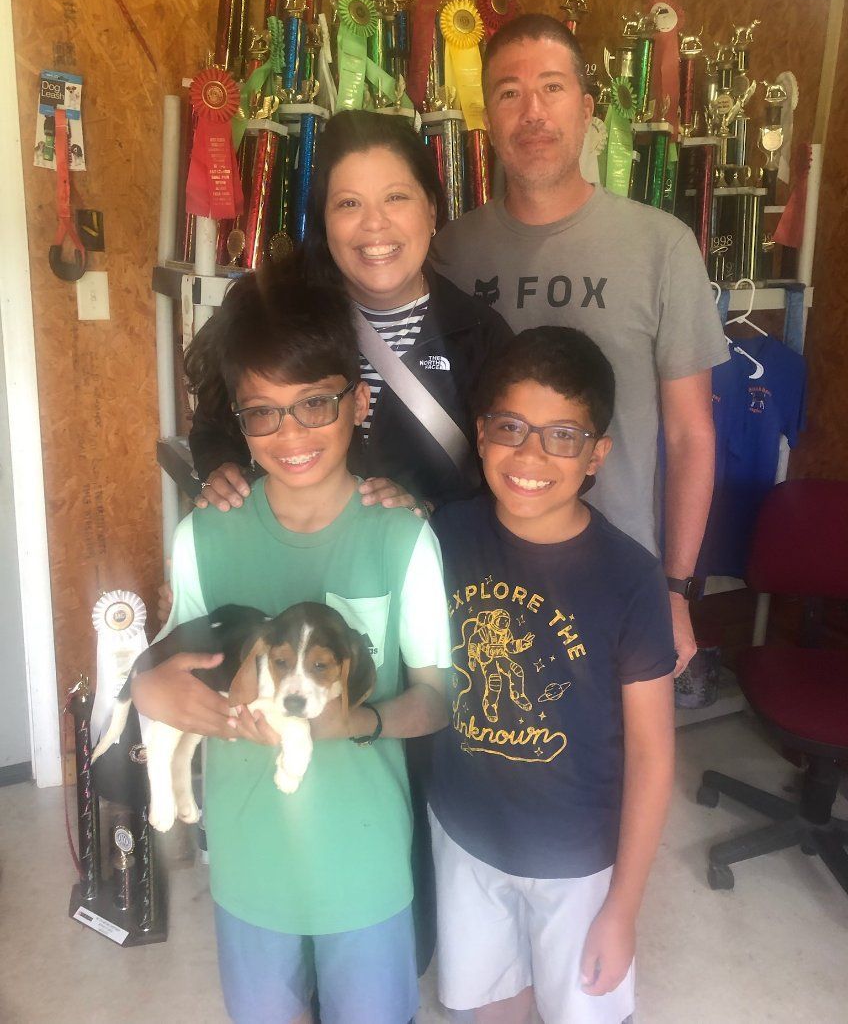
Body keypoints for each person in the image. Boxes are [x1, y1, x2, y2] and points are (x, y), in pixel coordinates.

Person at [133, 274, 452, 1024]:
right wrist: (150, 690)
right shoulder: (205, 536)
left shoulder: (402, 536)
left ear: (359, 401)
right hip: (250, 863)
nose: (293, 434)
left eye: (315, 402)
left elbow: (437, 697)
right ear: (239, 423)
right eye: (263, 414)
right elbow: (167, 666)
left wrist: (358, 721)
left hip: (366, 860)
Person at [431, 13, 728, 674]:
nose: (531, 111)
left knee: (615, 770)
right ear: (489, 115)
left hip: (615, 582)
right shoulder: (451, 252)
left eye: (552, 88)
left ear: (588, 109)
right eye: (509, 91)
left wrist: (677, 590)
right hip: (481, 578)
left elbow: (690, 434)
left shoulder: (662, 247)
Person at [428, 327, 676, 1024]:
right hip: (466, 836)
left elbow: (654, 754)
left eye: (562, 435)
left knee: (584, 1011)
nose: (531, 454)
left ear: (597, 453)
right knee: (491, 1003)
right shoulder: (446, 534)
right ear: (480, 434)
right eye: (511, 426)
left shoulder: (630, 577)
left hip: (579, 863)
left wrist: (622, 908)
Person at [189, 109, 512, 517]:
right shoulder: (270, 309)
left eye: (396, 197)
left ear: (431, 210)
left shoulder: (480, 334)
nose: (374, 224)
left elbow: (511, 478)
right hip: (303, 567)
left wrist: (428, 510)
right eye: (348, 203)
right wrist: (221, 472)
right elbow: (214, 424)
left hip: (432, 571)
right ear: (325, 220)